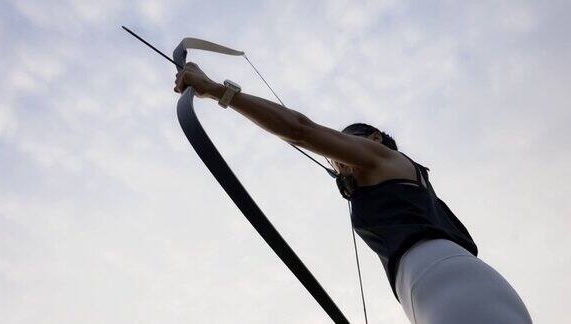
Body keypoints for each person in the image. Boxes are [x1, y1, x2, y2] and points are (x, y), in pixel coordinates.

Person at [174, 62, 533, 324]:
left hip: (453, 287)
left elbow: (301, 129)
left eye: (344, 145)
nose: (339, 160)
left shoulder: (383, 157)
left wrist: (215, 89)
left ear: (374, 139)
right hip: (438, 292)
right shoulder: (395, 182)